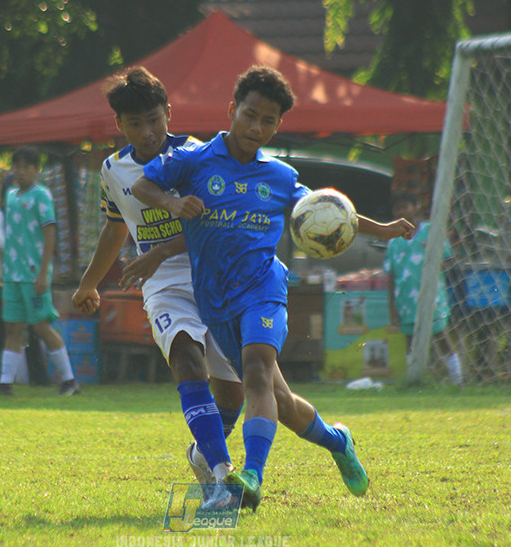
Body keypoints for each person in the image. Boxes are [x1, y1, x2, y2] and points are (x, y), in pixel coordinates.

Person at [133, 65, 415, 511]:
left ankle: (252, 477)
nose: (257, 127)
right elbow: (142, 183)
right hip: (215, 299)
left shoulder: (281, 177)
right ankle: (339, 442)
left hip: (264, 287)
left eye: (269, 121)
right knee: (280, 401)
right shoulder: (193, 161)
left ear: (279, 124)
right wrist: (172, 202)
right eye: (249, 115)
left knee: (258, 375)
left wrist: (382, 228)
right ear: (232, 110)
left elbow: (325, 211)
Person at [71, 67, 243, 500]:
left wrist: (159, 251)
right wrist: (89, 283)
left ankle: (204, 452)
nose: (146, 132)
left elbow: (219, 224)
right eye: (135, 124)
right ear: (120, 125)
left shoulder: (199, 156)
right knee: (185, 355)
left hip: (213, 276)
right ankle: (222, 477)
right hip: (162, 283)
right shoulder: (114, 170)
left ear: (169, 113)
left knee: (233, 392)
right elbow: (115, 228)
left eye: (153, 120)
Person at [0, 146, 80, 396]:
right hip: (12, 274)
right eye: (17, 166)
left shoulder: (42, 195)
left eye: (27, 166)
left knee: (40, 326)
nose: (21, 171)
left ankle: (69, 380)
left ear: (37, 170)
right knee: (13, 328)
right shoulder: (11, 196)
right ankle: (5, 383)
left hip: (33, 273)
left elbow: (50, 232)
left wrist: (44, 273)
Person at [384, 191, 464, 385]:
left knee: (440, 335)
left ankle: (458, 380)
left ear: (416, 207)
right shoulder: (393, 238)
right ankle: (414, 380)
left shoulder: (431, 231)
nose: (401, 211)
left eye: (405, 206)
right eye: (397, 208)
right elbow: (390, 275)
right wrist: (392, 307)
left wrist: (433, 251)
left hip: (431, 295)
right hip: (405, 298)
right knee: (410, 341)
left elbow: (449, 260)